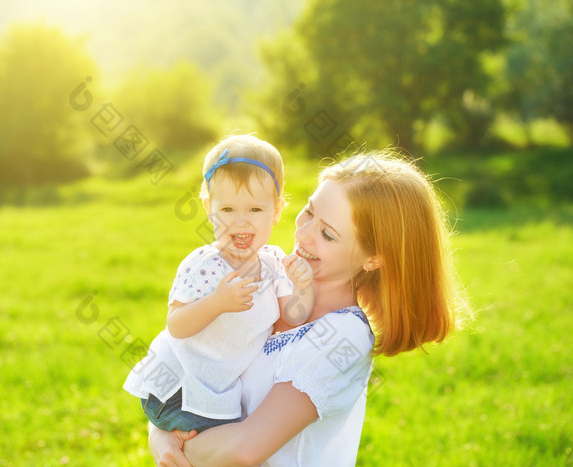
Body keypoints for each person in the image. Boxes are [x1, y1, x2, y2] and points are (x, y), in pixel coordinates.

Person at [147, 150, 467, 466]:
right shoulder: (270, 288)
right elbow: (186, 365)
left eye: (327, 234)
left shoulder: (344, 336)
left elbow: (243, 449)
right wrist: (158, 430)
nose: (302, 234)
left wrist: (171, 446)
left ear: (374, 258)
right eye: (309, 211)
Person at [123, 135, 315, 434]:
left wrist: (303, 286)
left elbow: (294, 316)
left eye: (255, 210)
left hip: (214, 391)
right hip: (177, 388)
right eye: (227, 210)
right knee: (234, 444)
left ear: (277, 210)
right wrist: (215, 303)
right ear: (208, 207)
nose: (241, 222)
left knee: (237, 441)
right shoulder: (204, 266)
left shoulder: (274, 263)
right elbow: (176, 325)